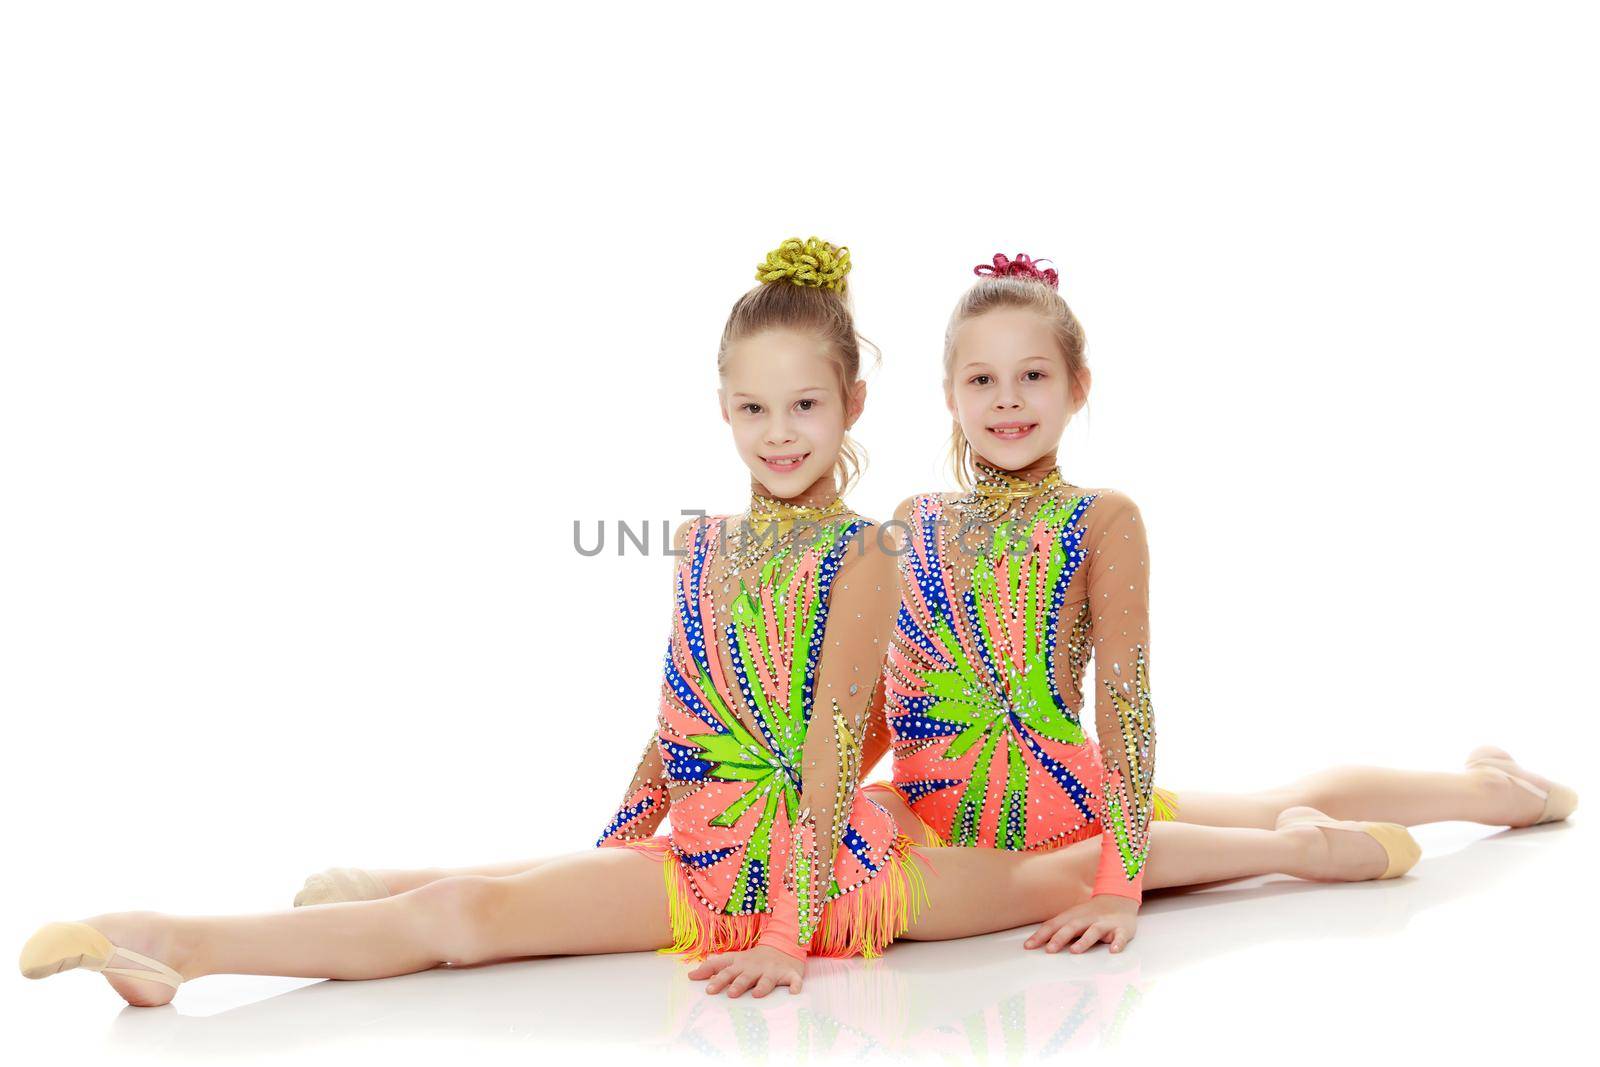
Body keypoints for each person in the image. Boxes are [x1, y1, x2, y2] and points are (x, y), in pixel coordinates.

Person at [14, 239, 1461, 1010]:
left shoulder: (879, 545)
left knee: (1142, 843)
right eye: (754, 406)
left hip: (858, 847)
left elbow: (849, 729)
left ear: (856, 411)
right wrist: (617, 831)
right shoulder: (716, 540)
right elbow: (679, 720)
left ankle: (1312, 845)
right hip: (817, 819)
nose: (780, 431)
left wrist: (782, 919)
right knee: (480, 900)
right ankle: (207, 929)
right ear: (722, 412)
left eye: (809, 404)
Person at [852, 250, 1579, 956]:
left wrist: (1118, 880)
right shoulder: (911, 517)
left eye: (1032, 374)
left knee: (1273, 802)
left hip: (1054, 809)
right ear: (949, 394)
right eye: (982, 378)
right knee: (1266, 803)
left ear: (1078, 386)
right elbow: (891, 692)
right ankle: (1440, 798)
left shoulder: (1102, 517)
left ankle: (1492, 793)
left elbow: (1125, 701)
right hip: (928, 809)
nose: (1006, 398)